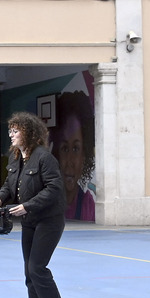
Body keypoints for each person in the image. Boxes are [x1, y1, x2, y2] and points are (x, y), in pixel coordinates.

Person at [0, 111, 70, 298]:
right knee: (29, 272)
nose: (11, 135)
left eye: (15, 131)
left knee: (38, 267)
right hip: (30, 221)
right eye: (10, 130)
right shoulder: (15, 158)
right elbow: (9, 184)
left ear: (28, 132)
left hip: (49, 220)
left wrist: (27, 205)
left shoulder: (44, 158)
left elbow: (54, 189)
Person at [50, 91, 96, 222]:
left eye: (76, 149)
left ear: (84, 156)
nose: (69, 161)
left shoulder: (88, 206)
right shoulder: (47, 200)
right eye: (64, 148)